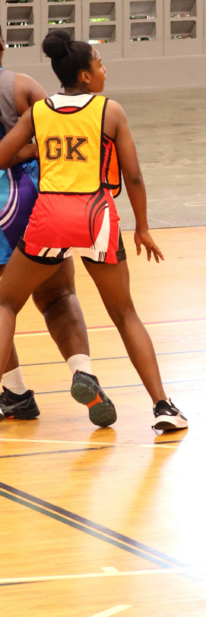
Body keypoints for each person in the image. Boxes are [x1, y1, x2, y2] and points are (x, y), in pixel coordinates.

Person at [0, 30, 186, 432]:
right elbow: (133, 177)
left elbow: (2, 157)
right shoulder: (109, 111)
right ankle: (163, 407)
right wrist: (143, 227)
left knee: (6, 304)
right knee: (124, 314)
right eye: (100, 64)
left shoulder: (42, 112)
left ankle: (12, 391)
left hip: (50, 217)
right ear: (85, 76)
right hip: (96, 217)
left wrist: (36, 149)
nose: (105, 70)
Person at [0, 33, 96, 425]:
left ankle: (16, 391)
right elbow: (62, 131)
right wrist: (26, 152)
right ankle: (82, 371)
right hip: (29, 194)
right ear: (3, 44)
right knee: (58, 294)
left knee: (2, 305)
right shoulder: (21, 86)